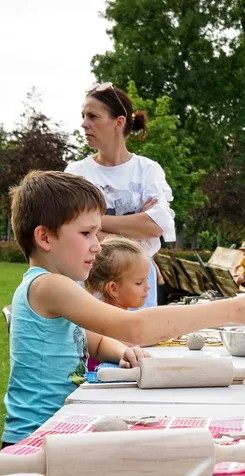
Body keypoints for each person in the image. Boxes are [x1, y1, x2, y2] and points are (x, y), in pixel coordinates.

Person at [3, 171, 245, 443]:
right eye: (87, 233)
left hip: (63, 421)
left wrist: (122, 350)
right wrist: (231, 310)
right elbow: (136, 327)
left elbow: (95, 342)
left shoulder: (63, 286)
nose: (97, 246)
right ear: (45, 238)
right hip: (37, 435)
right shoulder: (48, 286)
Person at [66, 82, 176, 309]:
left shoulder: (148, 170)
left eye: (93, 116)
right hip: (90, 279)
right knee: (96, 343)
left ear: (119, 122)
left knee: (141, 342)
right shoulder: (75, 173)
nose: (84, 124)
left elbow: (156, 227)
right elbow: (70, 229)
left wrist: (93, 223)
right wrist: (136, 227)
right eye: (83, 116)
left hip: (138, 282)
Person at [84, 236, 152, 369]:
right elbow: (132, 338)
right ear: (113, 288)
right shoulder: (103, 320)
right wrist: (161, 333)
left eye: (147, 279)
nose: (148, 287)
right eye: (139, 282)